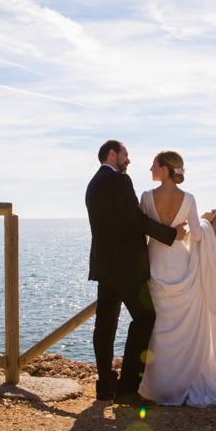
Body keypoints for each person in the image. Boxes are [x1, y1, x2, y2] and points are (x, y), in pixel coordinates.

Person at [85, 140, 186, 406]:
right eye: (125, 155)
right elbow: (136, 219)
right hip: (127, 265)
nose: (128, 161)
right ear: (112, 154)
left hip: (103, 265)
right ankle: (128, 388)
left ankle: (105, 385)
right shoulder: (119, 181)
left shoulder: (93, 184)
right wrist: (173, 235)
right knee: (145, 318)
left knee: (105, 325)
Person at [138, 151, 216, 407]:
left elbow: (144, 231)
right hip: (182, 264)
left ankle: (160, 386)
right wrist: (205, 221)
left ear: (164, 169)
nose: (150, 169)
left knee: (159, 327)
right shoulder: (189, 198)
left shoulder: (146, 197)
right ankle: (188, 378)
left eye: (154, 165)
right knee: (185, 326)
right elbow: (195, 236)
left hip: (155, 265)